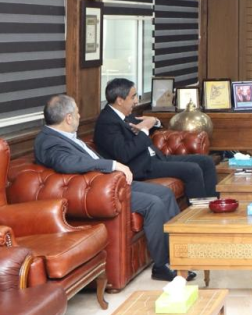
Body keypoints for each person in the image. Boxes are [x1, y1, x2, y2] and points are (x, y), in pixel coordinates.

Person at [35, 95, 195, 282]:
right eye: (77, 113)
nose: (79, 116)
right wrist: (112, 165)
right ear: (68, 118)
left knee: (165, 193)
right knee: (154, 204)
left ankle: (179, 257)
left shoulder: (62, 135)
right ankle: (162, 265)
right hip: (98, 190)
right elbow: (68, 163)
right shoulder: (49, 142)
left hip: (111, 182)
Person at [94, 78, 218, 200]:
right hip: (142, 167)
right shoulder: (107, 123)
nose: (136, 101)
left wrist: (154, 121)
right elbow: (124, 154)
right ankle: (198, 210)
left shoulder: (124, 114)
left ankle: (213, 204)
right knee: (192, 170)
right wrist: (144, 131)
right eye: (133, 97)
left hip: (157, 158)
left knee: (206, 161)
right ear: (120, 100)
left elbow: (148, 126)